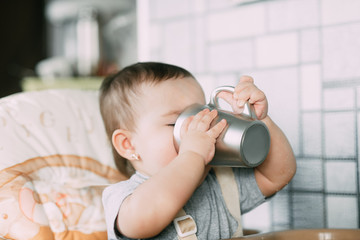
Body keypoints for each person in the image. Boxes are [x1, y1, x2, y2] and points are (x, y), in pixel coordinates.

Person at [99, 62, 296, 240]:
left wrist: (260, 119)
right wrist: (192, 154)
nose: (199, 130)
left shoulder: (220, 184)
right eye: (176, 123)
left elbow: (278, 176)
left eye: (202, 115)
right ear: (128, 145)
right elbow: (146, 216)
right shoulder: (123, 196)